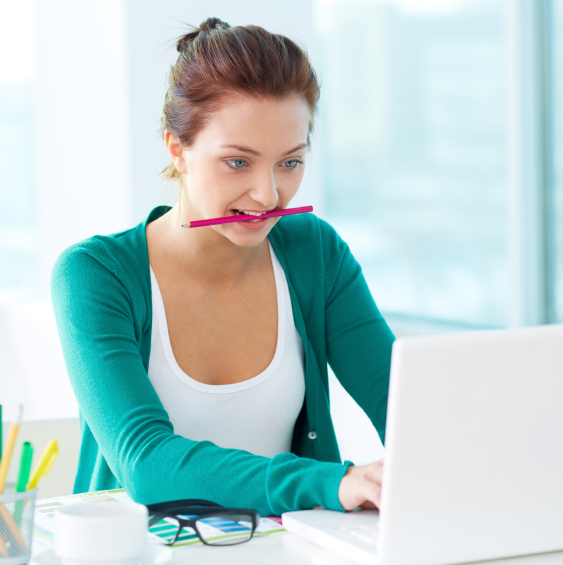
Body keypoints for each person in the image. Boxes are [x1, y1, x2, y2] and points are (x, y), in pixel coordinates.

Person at [51, 17, 393, 517]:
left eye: (290, 162)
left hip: (285, 549)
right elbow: (146, 463)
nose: (268, 195)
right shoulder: (95, 275)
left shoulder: (315, 253)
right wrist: (329, 482)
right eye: (238, 162)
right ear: (178, 149)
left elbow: (404, 409)